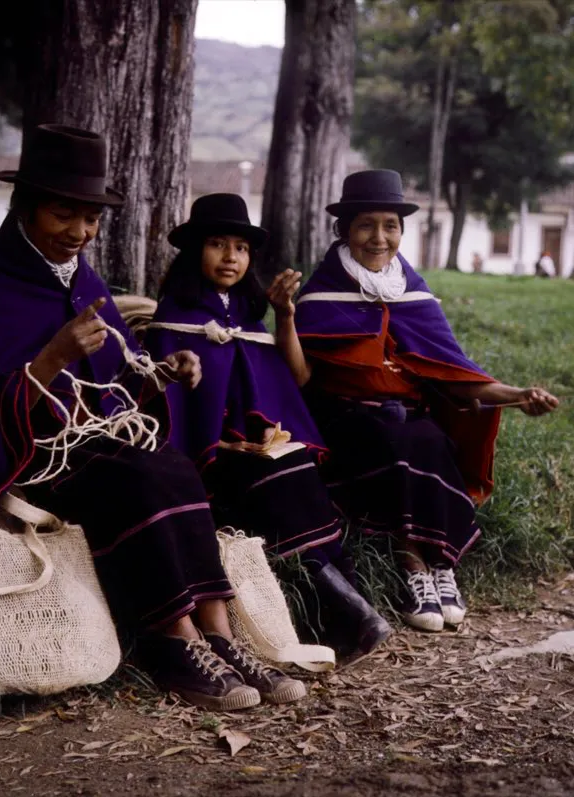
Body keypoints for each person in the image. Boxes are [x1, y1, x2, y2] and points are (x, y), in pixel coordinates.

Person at [0, 124, 304, 709]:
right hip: (28, 452)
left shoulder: (79, 274)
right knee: (137, 480)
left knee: (173, 467)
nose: (79, 232)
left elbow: (117, 374)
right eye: (64, 214)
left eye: (90, 218)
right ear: (26, 207)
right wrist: (56, 354)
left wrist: (163, 375)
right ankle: (175, 639)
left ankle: (219, 629)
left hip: (87, 436)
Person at [278, 170, 559, 632]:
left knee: (429, 439)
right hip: (347, 420)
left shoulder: (413, 292)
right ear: (345, 229)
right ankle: (414, 567)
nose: (380, 237)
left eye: (390, 225)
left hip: (409, 419)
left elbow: (454, 374)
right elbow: (300, 375)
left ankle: (441, 564)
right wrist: (286, 318)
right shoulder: (319, 294)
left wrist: (517, 394)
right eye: (367, 224)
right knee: (397, 443)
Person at [143, 194, 391, 659]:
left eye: (240, 247)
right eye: (217, 244)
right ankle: (351, 613)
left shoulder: (248, 318)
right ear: (195, 250)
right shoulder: (175, 319)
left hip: (256, 452)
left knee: (296, 468)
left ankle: (351, 610)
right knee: (277, 480)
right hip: (207, 461)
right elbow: (167, 404)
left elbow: (293, 380)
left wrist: (286, 315)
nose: (231, 256)